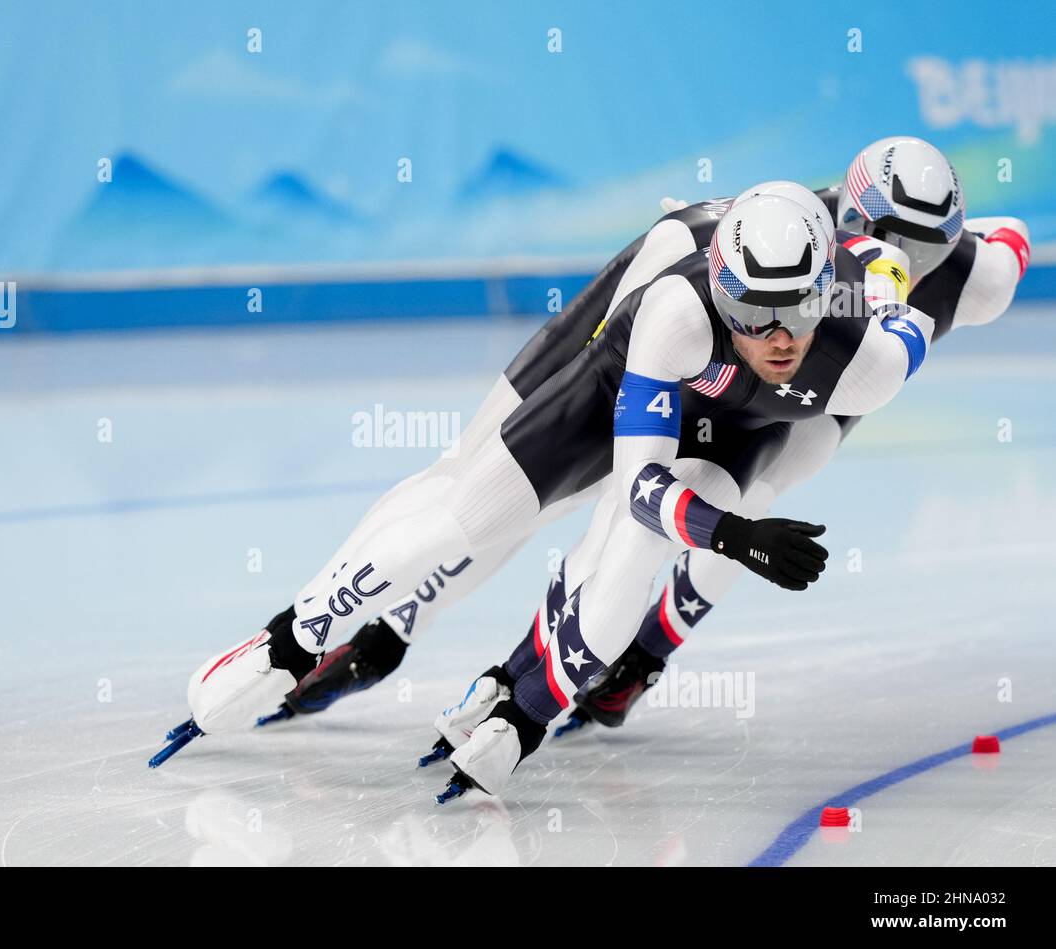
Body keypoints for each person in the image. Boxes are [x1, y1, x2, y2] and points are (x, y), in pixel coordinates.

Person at [428, 192, 935, 800]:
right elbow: (643, 487)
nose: (778, 338)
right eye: (753, 312)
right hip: (701, 394)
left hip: (762, 429)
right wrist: (733, 536)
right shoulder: (683, 305)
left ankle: (548, 699)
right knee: (615, 528)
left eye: (799, 310)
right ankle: (513, 679)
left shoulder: (874, 360)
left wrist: (884, 286)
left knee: (641, 543)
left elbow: (905, 319)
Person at [558, 136, 1029, 736]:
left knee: (753, 494)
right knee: (639, 495)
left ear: (956, 237)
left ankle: (645, 655)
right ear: (850, 215)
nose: (903, 258)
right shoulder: (807, 233)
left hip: (825, 400)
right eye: (888, 234)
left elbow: (1009, 237)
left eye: (928, 243)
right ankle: (605, 643)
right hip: (757, 369)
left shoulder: (979, 277)